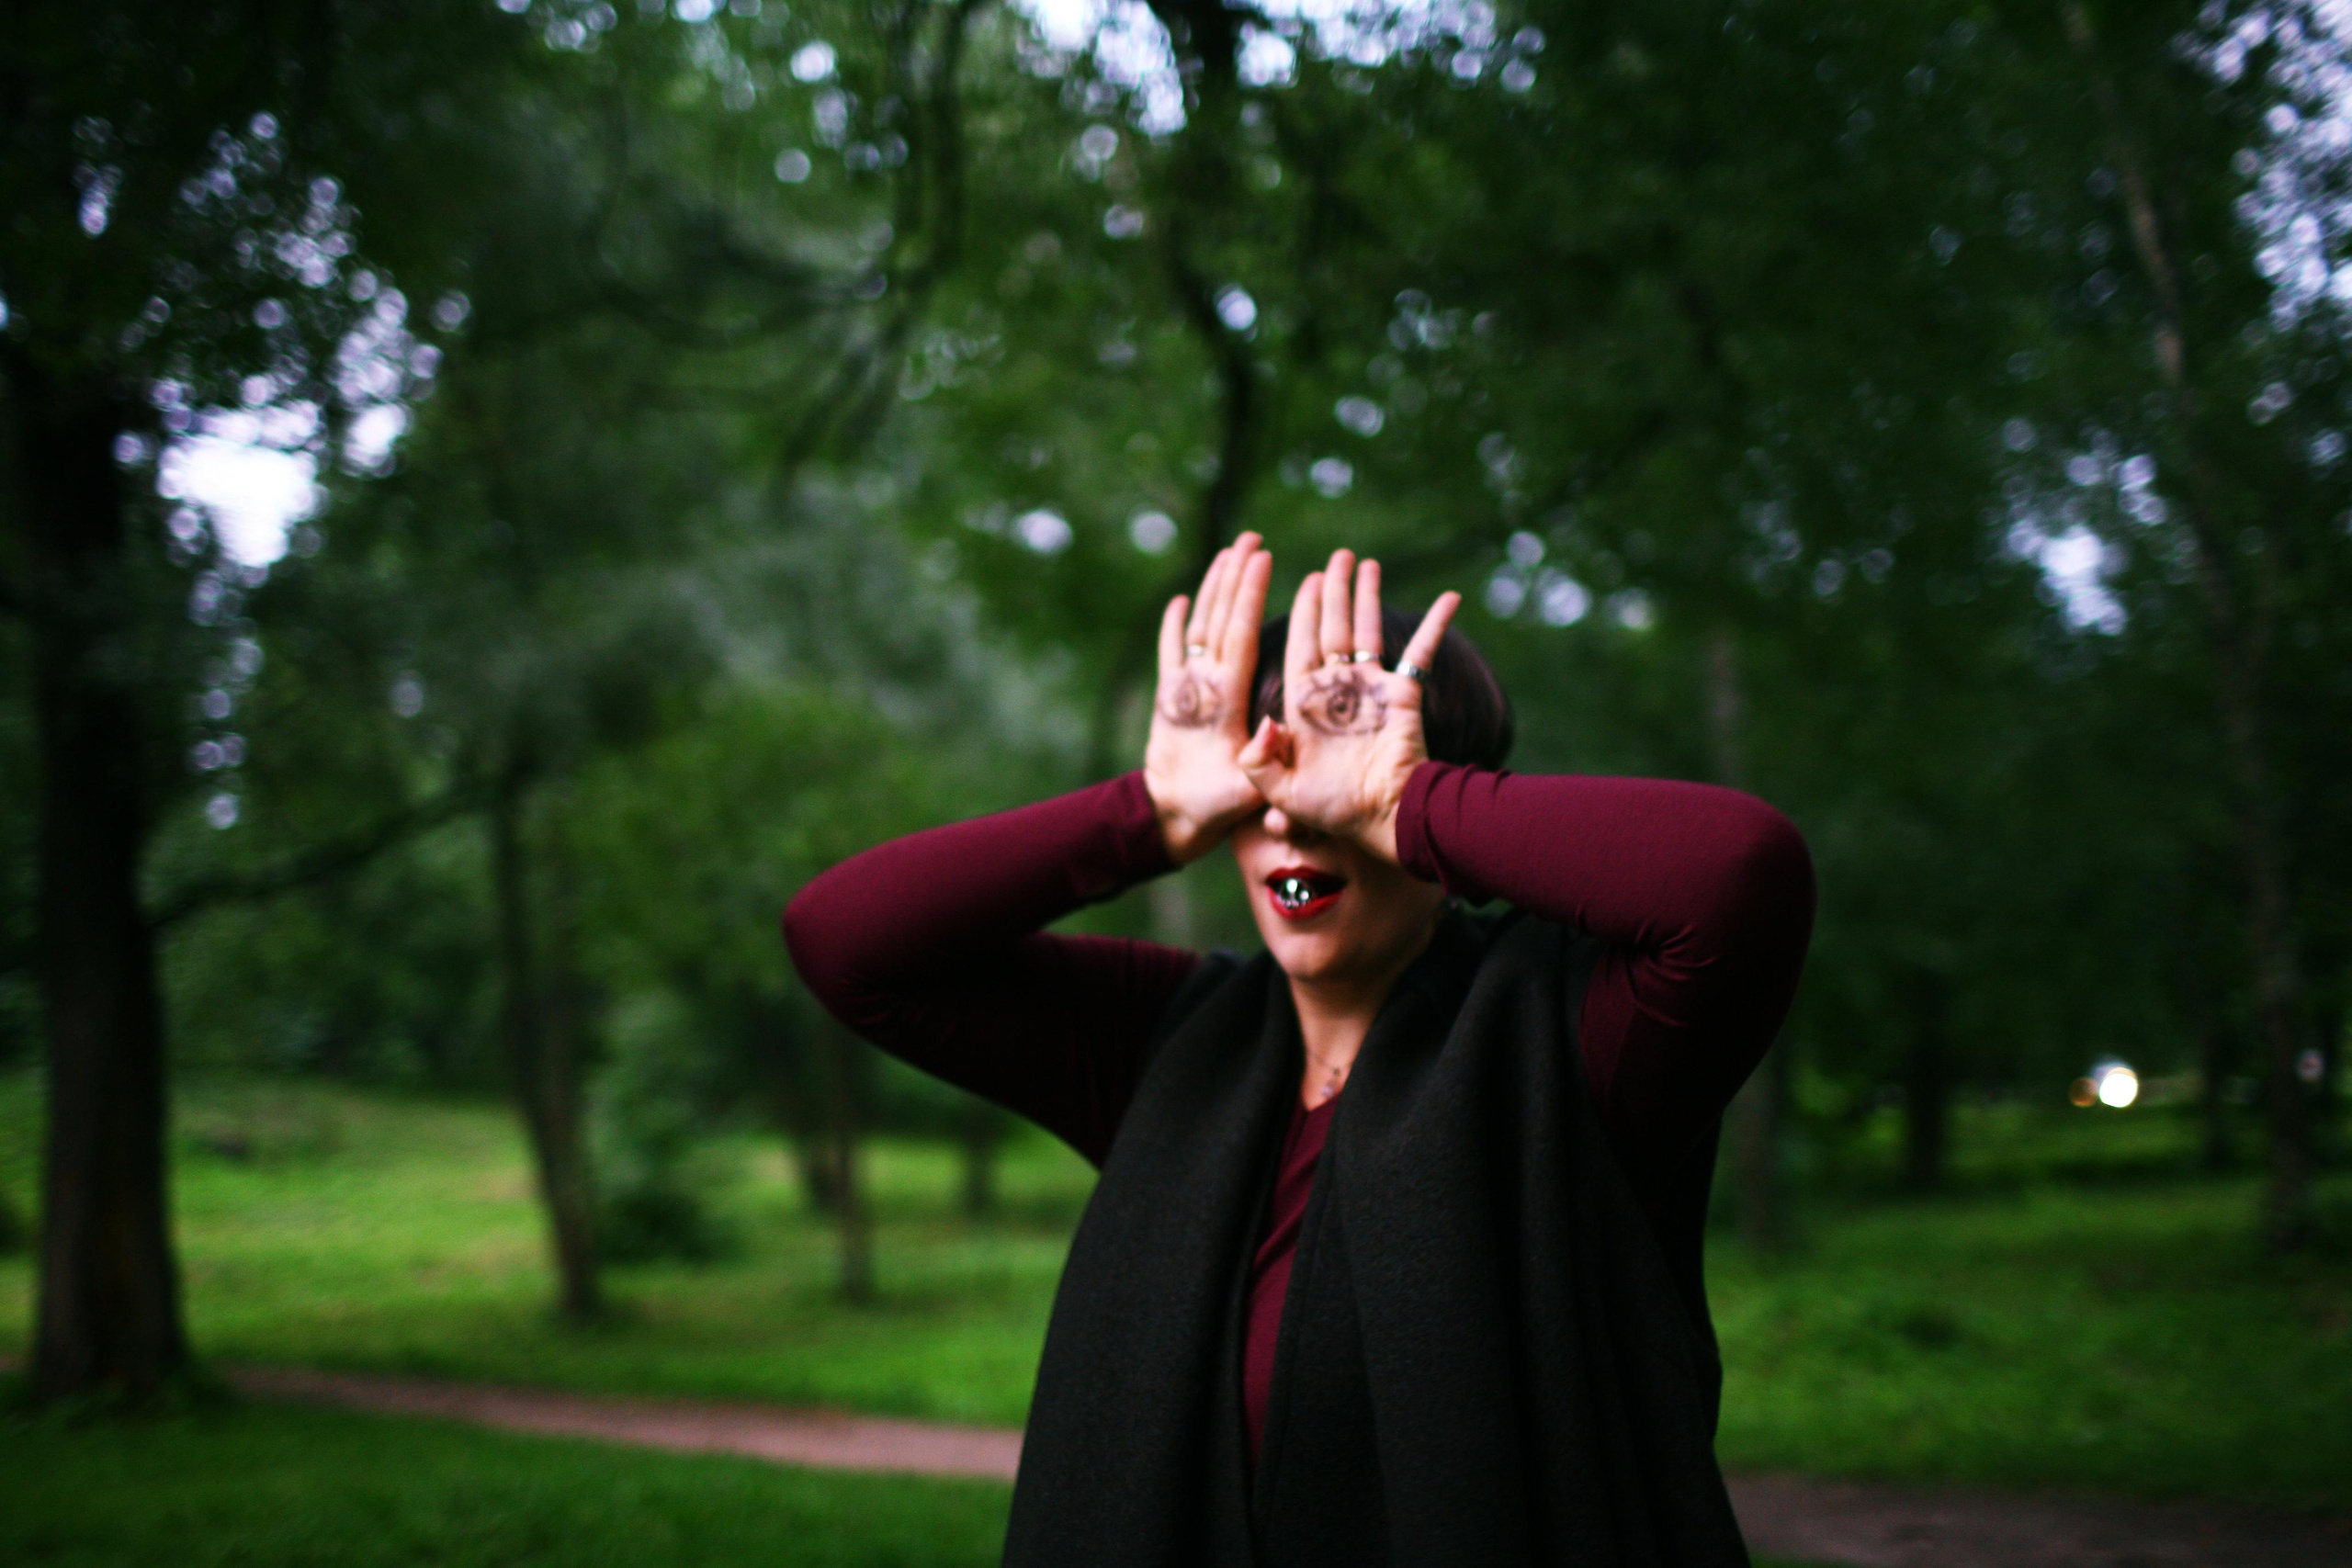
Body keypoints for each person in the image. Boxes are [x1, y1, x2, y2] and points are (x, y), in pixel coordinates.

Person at [785, 535, 1815, 1567]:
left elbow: (1737, 874)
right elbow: (845, 941)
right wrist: (1151, 813)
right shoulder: (1173, 1041)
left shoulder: (1575, 1034)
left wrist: (1394, 799)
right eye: (1260, 781)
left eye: (1331, 787)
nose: (1290, 825)